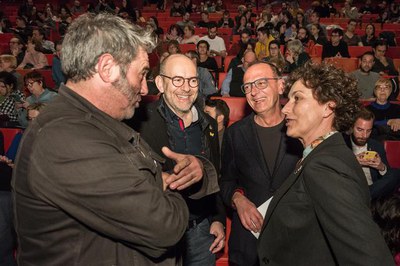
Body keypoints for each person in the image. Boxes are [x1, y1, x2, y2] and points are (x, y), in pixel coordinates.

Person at [12, 13, 197, 265]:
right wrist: (169, 190)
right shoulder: (65, 138)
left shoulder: (98, 123)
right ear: (107, 68)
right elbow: (167, 225)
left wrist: (158, 185)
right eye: (141, 74)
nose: (145, 88)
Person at [258, 61, 394, 265]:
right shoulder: (321, 154)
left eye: (297, 99)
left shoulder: (326, 165)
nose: (285, 109)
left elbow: (370, 258)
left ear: (328, 108)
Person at [129, 53, 225, 266]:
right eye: (178, 80)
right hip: (158, 231)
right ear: (161, 83)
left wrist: (218, 219)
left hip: (201, 231)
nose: (186, 88)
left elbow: (215, 175)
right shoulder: (138, 122)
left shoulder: (208, 123)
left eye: (192, 80)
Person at [220, 62, 302, 266]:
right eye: (248, 86)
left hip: (295, 242)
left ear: (281, 86)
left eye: (261, 83)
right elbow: (226, 181)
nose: (254, 92)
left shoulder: (303, 129)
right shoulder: (235, 133)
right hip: (248, 243)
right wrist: (237, 199)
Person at [343, 108, 400, 200]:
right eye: (360, 130)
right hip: (350, 190)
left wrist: (381, 167)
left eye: (368, 131)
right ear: (351, 127)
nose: (364, 135)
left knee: (396, 173)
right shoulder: (342, 144)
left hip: (372, 191)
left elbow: (387, 178)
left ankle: (365, 197)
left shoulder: (376, 146)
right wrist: (353, 161)